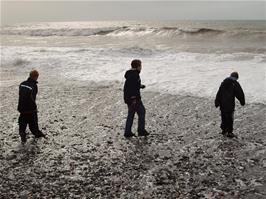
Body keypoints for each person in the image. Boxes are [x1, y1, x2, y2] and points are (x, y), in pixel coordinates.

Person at [18, 70, 45, 144]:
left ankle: (22, 132)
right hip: (30, 109)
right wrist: (34, 108)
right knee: (33, 124)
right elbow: (32, 98)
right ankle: (38, 135)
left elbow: (20, 95)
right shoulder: (34, 86)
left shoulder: (22, 84)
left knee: (22, 121)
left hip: (21, 108)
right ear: (35, 77)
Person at [123, 59, 149, 138]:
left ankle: (128, 132)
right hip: (133, 98)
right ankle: (141, 130)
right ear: (138, 66)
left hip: (128, 97)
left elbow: (131, 85)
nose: (141, 67)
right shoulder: (135, 75)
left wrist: (140, 86)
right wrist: (133, 98)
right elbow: (132, 88)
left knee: (131, 114)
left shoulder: (130, 74)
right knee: (141, 112)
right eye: (140, 66)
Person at [215, 72, 245, 138]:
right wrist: (242, 101)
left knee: (223, 117)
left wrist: (217, 102)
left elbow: (219, 93)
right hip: (230, 105)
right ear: (236, 77)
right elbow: (240, 93)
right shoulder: (235, 83)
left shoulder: (224, 82)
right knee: (230, 118)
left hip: (222, 104)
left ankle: (223, 130)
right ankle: (229, 132)